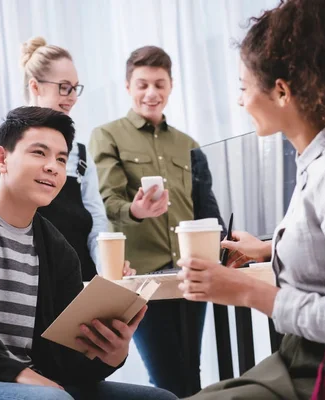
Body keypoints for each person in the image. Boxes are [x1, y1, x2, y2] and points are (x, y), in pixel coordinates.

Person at [176, 1, 325, 399]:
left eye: (243, 86)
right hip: (308, 359)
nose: (240, 101)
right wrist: (269, 250)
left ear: (282, 91)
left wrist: (244, 291)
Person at [0, 106, 177, 400]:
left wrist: (111, 356)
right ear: (2, 159)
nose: (53, 167)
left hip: (40, 387)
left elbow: (65, 365)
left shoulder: (59, 250)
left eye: (61, 159)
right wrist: (15, 372)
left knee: (162, 399)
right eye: (39, 153)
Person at [89, 46, 205, 397]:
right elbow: (107, 204)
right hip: (141, 278)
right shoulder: (106, 135)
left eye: (159, 84)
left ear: (171, 86)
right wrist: (136, 212)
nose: (151, 93)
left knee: (191, 370)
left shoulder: (189, 144)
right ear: (127, 86)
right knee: (166, 374)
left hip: (189, 271)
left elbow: (204, 206)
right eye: (142, 84)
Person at [0, 37, 124, 281]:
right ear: (36, 87)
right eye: (64, 87)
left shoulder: (81, 154)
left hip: (81, 279)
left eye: (75, 88)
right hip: (27, 278)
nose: (72, 96)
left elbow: (96, 221)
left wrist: (108, 269)